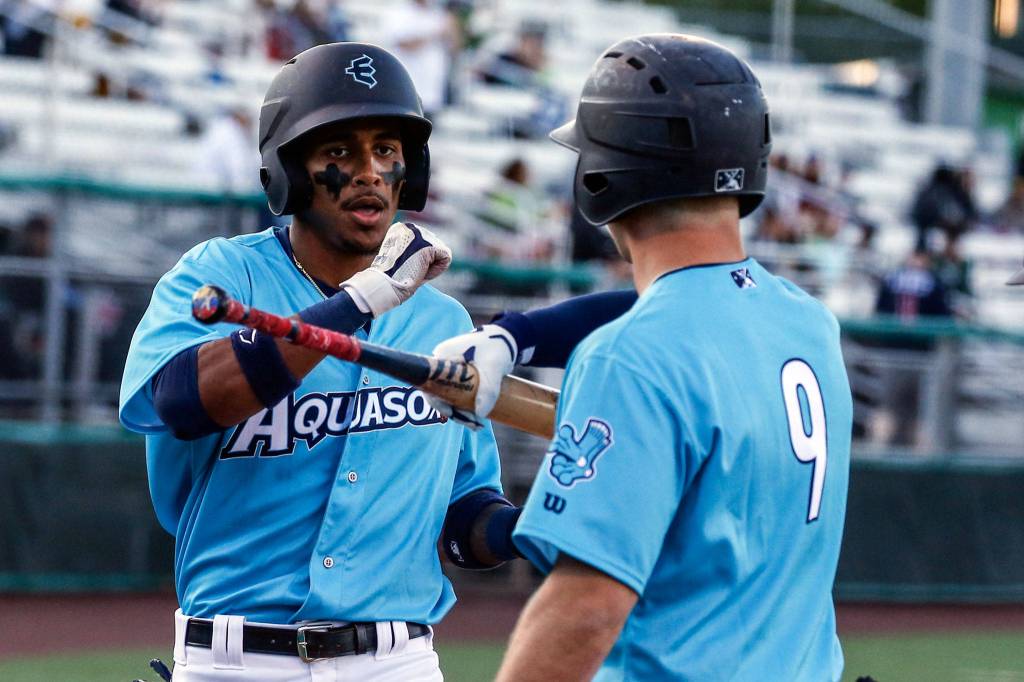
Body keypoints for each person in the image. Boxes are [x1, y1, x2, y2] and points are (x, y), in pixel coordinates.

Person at [429, 35, 852, 680]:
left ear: (603, 175)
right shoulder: (807, 321)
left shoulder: (629, 357)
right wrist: (513, 336)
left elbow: (585, 610)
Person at [119, 43, 522, 681]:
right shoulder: (222, 274)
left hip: (398, 662)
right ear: (290, 172)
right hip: (240, 660)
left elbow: (460, 514)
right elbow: (184, 401)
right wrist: (361, 301)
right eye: (339, 153)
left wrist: (523, 530)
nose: (369, 172)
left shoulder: (442, 325)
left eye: (386, 152)